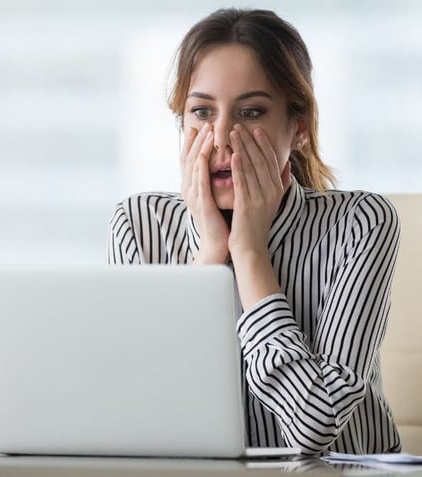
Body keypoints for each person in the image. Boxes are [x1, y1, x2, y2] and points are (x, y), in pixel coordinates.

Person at [107, 8, 401, 455]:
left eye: (250, 111)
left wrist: (248, 253)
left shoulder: (360, 223)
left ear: (297, 127)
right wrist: (208, 257)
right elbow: (137, 417)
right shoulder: (140, 225)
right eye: (202, 111)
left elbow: (313, 428)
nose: (222, 136)